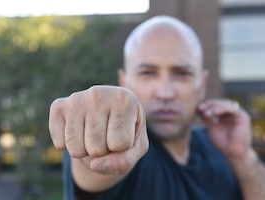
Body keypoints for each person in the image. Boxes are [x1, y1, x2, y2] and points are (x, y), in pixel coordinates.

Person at [49, 15, 265, 200]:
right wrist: (97, 129)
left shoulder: (219, 148)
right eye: (148, 73)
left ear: (202, 84)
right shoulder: (125, 149)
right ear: (123, 82)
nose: (165, 92)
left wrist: (241, 156)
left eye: (182, 73)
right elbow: (96, 165)